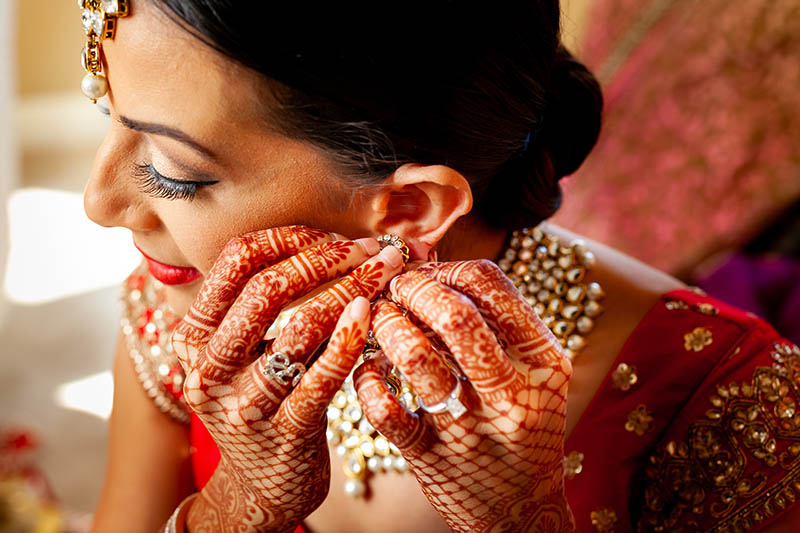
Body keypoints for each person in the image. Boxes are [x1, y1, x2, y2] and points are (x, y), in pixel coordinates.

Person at [77, 1, 800, 531]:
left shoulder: (726, 404)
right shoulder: (185, 323)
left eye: (174, 173)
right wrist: (235, 507)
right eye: (105, 111)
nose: (98, 202)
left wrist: (521, 521)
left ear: (408, 208)